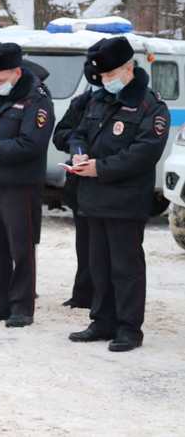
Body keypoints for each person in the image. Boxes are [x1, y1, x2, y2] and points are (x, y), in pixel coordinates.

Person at [67, 37, 170, 352]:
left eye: (111, 74)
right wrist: (79, 153)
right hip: (93, 198)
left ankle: (128, 328)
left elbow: (144, 153)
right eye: (103, 76)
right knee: (98, 264)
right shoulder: (98, 100)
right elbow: (78, 132)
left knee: (125, 267)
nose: (105, 81)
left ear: (128, 68)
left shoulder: (151, 106)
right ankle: (102, 320)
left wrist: (102, 168)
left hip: (126, 201)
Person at [0, 42, 54, 328]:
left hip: (21, 185)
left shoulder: (36, 99)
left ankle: (22, 307)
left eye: (2, 79)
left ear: (17, 72)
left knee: (21, 248)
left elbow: (33, 143)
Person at [52, 78, 100, 309]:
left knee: (106, 247)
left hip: (109, 180)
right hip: (80, 181)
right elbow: (61, 133)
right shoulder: (82, 102)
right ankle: (82, 294)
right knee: (84, 242)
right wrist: (77, 147)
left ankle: (102, 297)